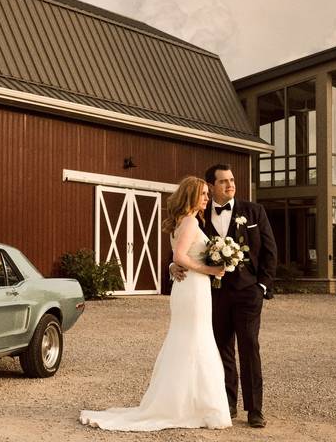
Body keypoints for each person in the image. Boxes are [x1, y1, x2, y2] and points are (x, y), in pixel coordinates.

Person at [79, 176, 232, 431]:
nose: (207, 198)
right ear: (192, 196)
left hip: (189, 287)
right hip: (193, 288)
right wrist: (210, 269)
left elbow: (178, 257)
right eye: (203, 194)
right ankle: (191, 406)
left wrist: (178, 266)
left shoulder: (183, 221)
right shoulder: (191, 221)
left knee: (190, 339)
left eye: (208, 194)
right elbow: (180, 256)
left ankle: (189, 402)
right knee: (195, 339)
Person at [170, 163, 277, 429]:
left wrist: (262, 287)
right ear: (211, 186)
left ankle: (255, 409)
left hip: (248, 292)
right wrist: (172, 265)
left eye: (232, 180)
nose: (230, 185)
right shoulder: (199, 215)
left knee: (249, 346)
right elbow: (184, 247)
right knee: (221, 348)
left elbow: (270, 251)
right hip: (212, 294)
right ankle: (226, 403)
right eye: (223, 181)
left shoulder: (254, 211)